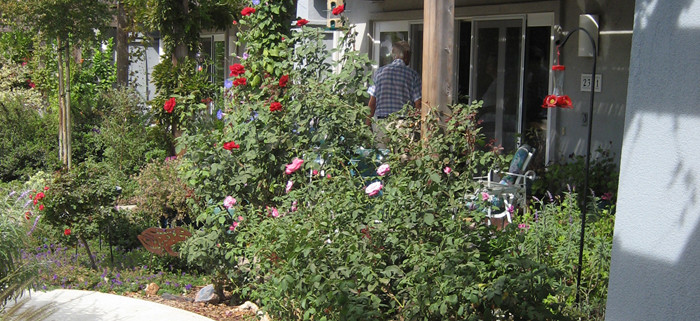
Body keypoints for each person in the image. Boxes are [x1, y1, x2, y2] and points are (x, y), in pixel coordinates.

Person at [366, 41, 422, 147]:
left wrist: (368, 123)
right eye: (410, 54)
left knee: (383, 160)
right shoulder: (413, 75)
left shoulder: (379, 73)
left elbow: (372, 103)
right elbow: (418, 104)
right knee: (402, 159)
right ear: (406, 55)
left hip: (381, 124)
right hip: (403, 124)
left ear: (393, 55)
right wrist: (418, 125)